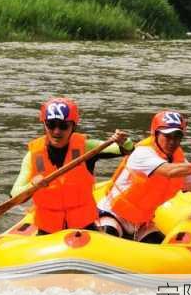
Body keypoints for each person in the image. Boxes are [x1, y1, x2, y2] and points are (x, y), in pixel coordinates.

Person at [97, 110, 191, 241]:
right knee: (109, 235)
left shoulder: (180, 162)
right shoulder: (141, 153)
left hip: (141, 223)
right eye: (167, 136)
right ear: (155, 134)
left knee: (157, 249)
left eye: (177, 137)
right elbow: (169, 171)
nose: (172, 142)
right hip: (113, 214)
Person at [11, 97, 134, 235]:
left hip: (83, 229)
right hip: (48, 231)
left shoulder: (87, 148)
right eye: (51, 125)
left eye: (63, 126)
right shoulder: (32, 156)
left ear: (73, 126)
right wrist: (33, 186)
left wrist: (124, 141)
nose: (57, 131)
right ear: (44, 125)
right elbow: (15, 194)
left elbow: (126, 149)